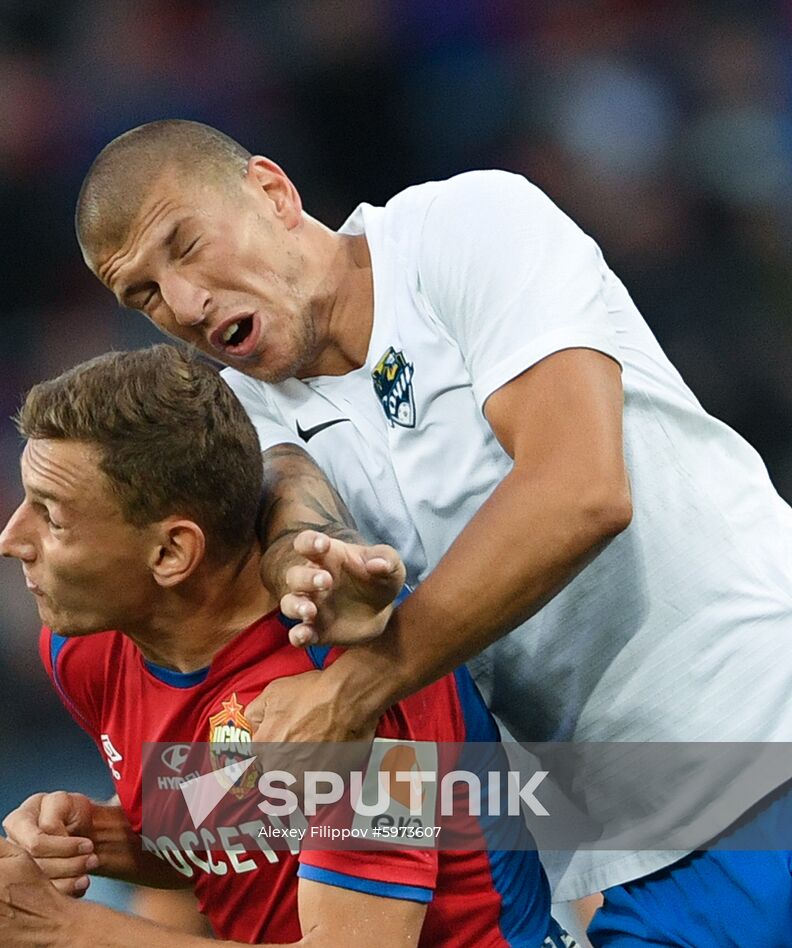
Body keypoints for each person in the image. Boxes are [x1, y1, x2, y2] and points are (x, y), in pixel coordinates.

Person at [74, 119, 792, 945]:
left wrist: (356, 683)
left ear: (272, 193)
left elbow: (581, 490)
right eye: (147, 295)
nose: (187, 303)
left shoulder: (465, 228)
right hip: (629, 844)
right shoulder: (243, 420)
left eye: (188, 245)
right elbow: (296, 527)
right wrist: (114, 839)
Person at [0, 345, 572, 946]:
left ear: (171, 551)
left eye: (54, 517)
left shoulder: (349, 687)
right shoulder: (87, 650)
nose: (10, 539)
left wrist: (62, 930)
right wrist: (102, 838)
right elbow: (250, 836)